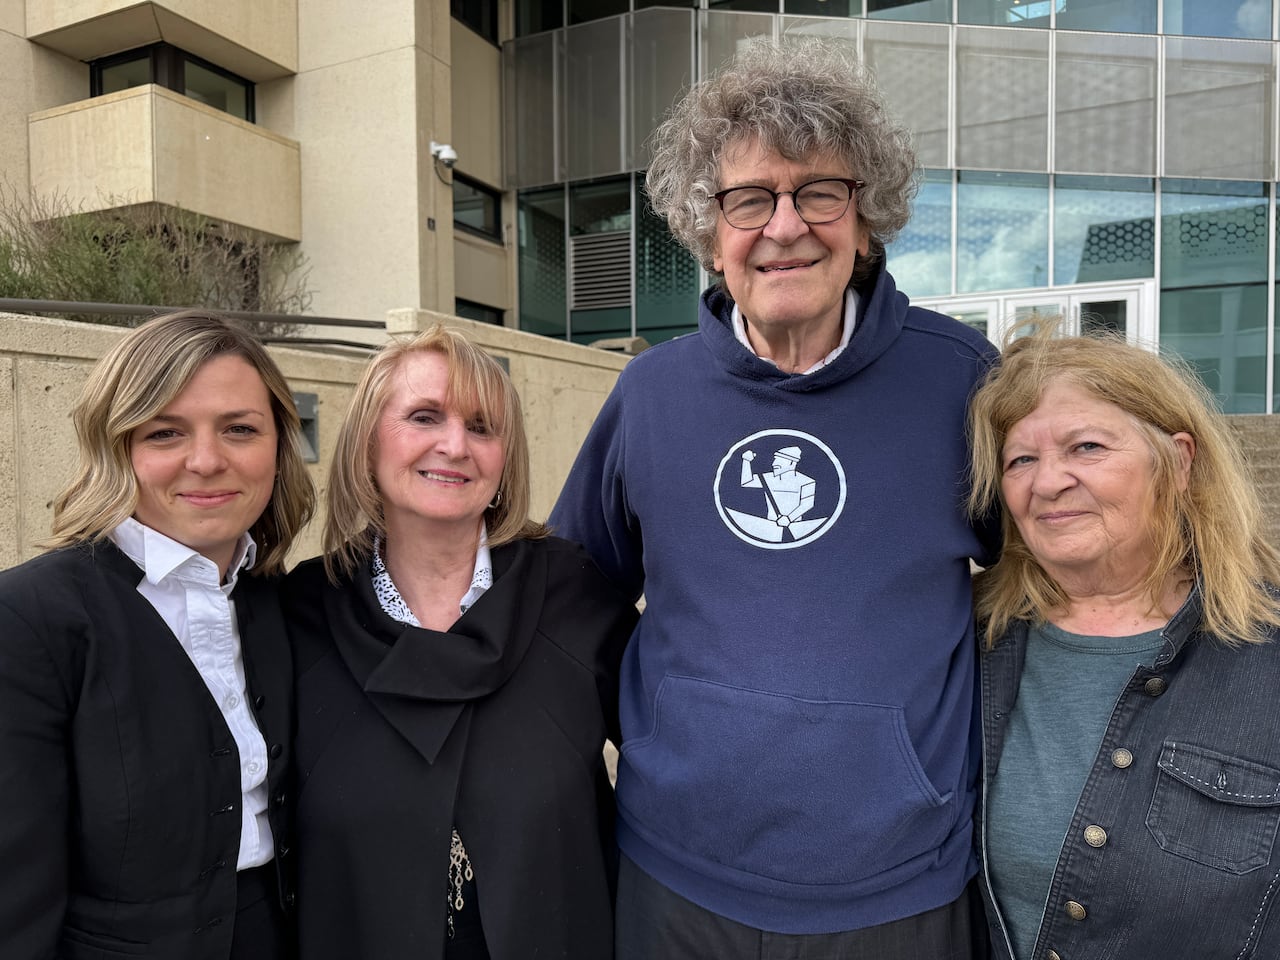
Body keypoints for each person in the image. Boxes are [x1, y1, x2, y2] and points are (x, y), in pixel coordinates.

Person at [550, 37, 997, 958]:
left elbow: (1043, 582)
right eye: (749, 199)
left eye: (818, 193)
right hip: (675, 874)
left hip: (897, 883)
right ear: (709, 236)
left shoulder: (961, 383)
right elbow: (573, 596)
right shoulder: (651, 396)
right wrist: (667, 734)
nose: (785, 226)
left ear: (864, 221)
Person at [284, 324, 637, 960]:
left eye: (482, 427)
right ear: (367, 441)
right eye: (424, 417)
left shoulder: (573, 597)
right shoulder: (299, 614)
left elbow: (669, 756)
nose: (455, 446)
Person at [0, 311, 315, 959]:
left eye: (239, 429)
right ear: (118, 448)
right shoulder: (30, 618)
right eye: (165, 432)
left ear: (280, 446)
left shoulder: (283, 602)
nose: (207, 461)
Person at [968, 321, 1280, 958]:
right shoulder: (967, 641)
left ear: (1179, 461)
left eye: (1086, 447)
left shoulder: (1265, 649)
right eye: (1021, 460)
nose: (1047, 483)